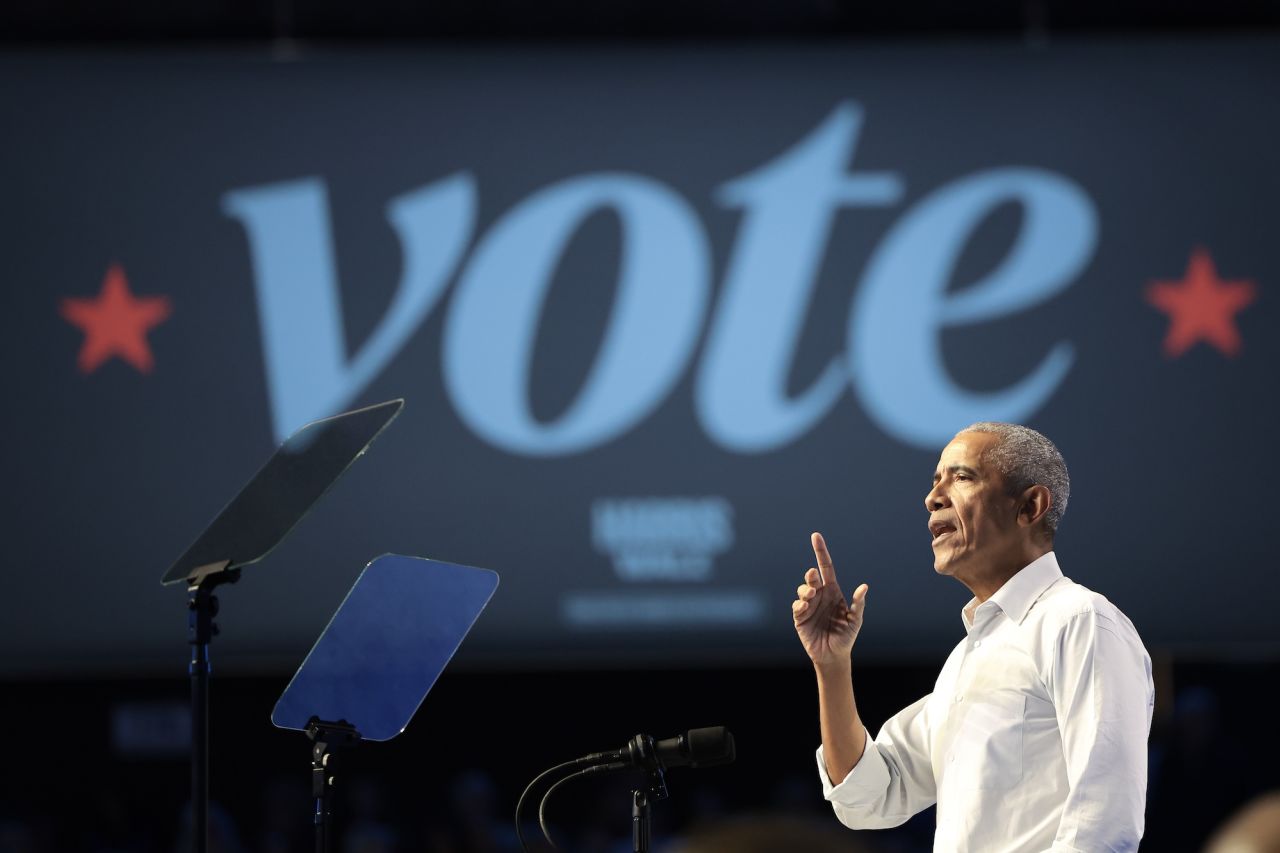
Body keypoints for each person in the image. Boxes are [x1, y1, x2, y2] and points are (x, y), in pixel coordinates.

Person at [792, 422, 1154, 851]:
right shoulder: (967, 659)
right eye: (935, 481)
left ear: (1029, 506)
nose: (932, 497)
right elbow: (868, 798)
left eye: (961, 477)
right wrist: (832, 667)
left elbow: (1104, 823)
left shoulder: (1080, 621)